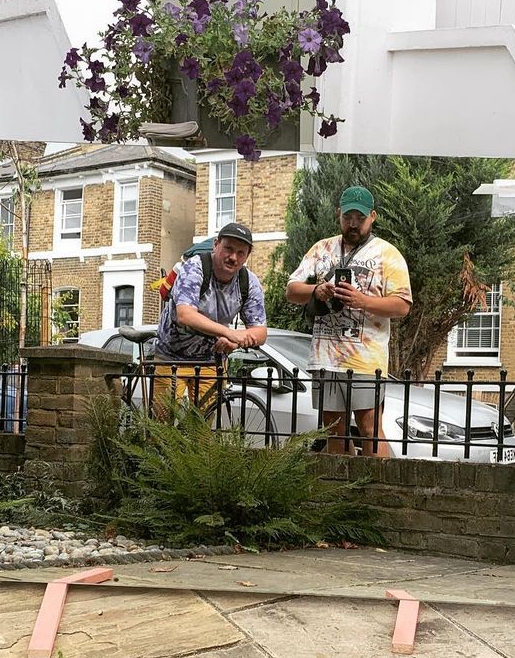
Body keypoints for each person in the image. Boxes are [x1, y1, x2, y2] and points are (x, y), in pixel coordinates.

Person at [285, 185, 411, 456]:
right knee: (334, 432)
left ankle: (380, 483)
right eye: (347, 217)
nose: (353, 224)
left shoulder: (387, 253)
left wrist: (361, 300)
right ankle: (343, 484)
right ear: (338, 214)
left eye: (360, 218)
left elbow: (402, 305)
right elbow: (291, 290)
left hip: (365, 360)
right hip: (325, 357)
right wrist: (317, 290)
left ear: (373, 216)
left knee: (369, 429)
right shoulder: (322, 248)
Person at [154, 221, 267, 409]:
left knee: (203, 424)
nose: (233, 257)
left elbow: (260, 332)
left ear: (247, 256)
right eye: (228, 249)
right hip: (171, 357)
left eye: (241, 253)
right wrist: (229, 333)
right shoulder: (195, 267)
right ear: (216, 245)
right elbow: (185, 315)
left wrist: (236, 341)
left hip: (211, 360)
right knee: (162, 422)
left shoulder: (248, 282)